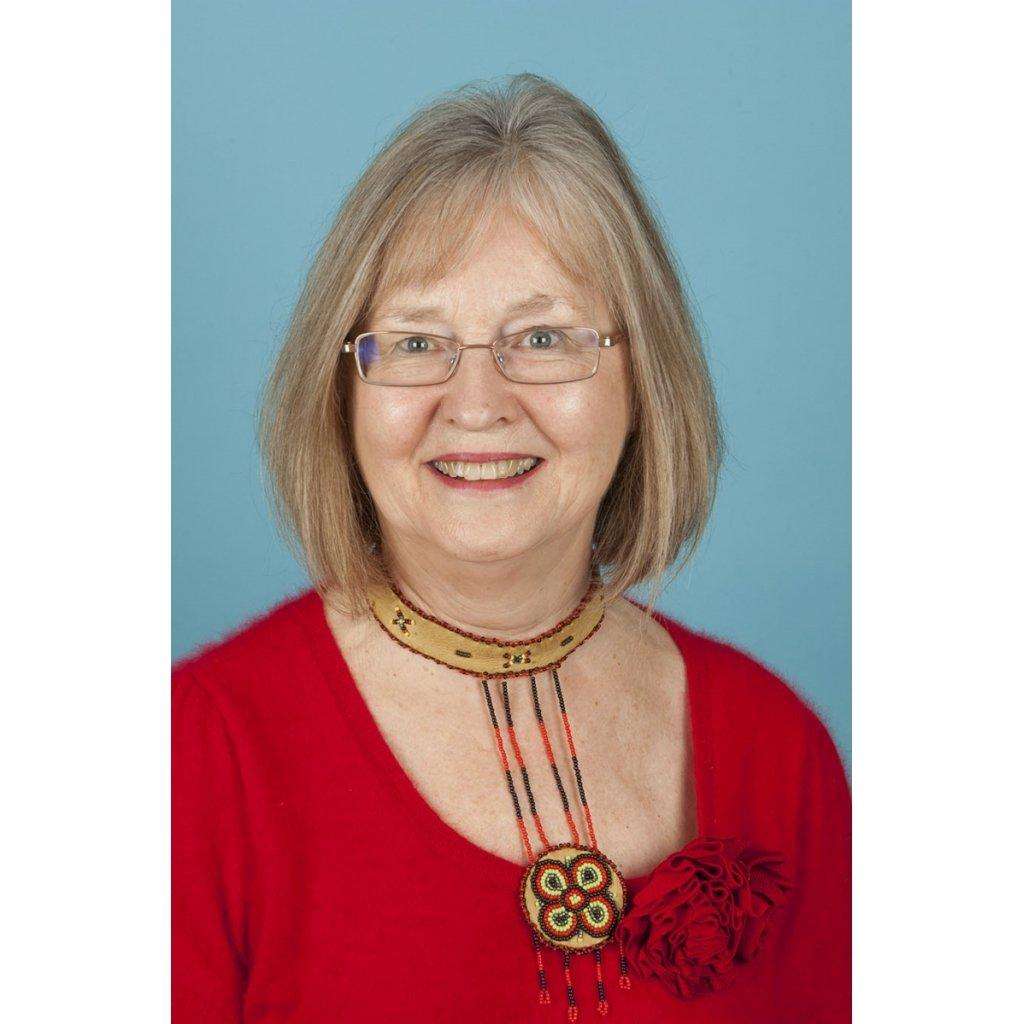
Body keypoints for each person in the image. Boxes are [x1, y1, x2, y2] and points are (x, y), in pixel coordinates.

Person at [173, 74, 850, 1023]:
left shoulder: (779, 747)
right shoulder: (194, 753)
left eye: (541, 336)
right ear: (343, 391)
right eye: (417, 344)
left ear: (643, 379)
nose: (478, 406)